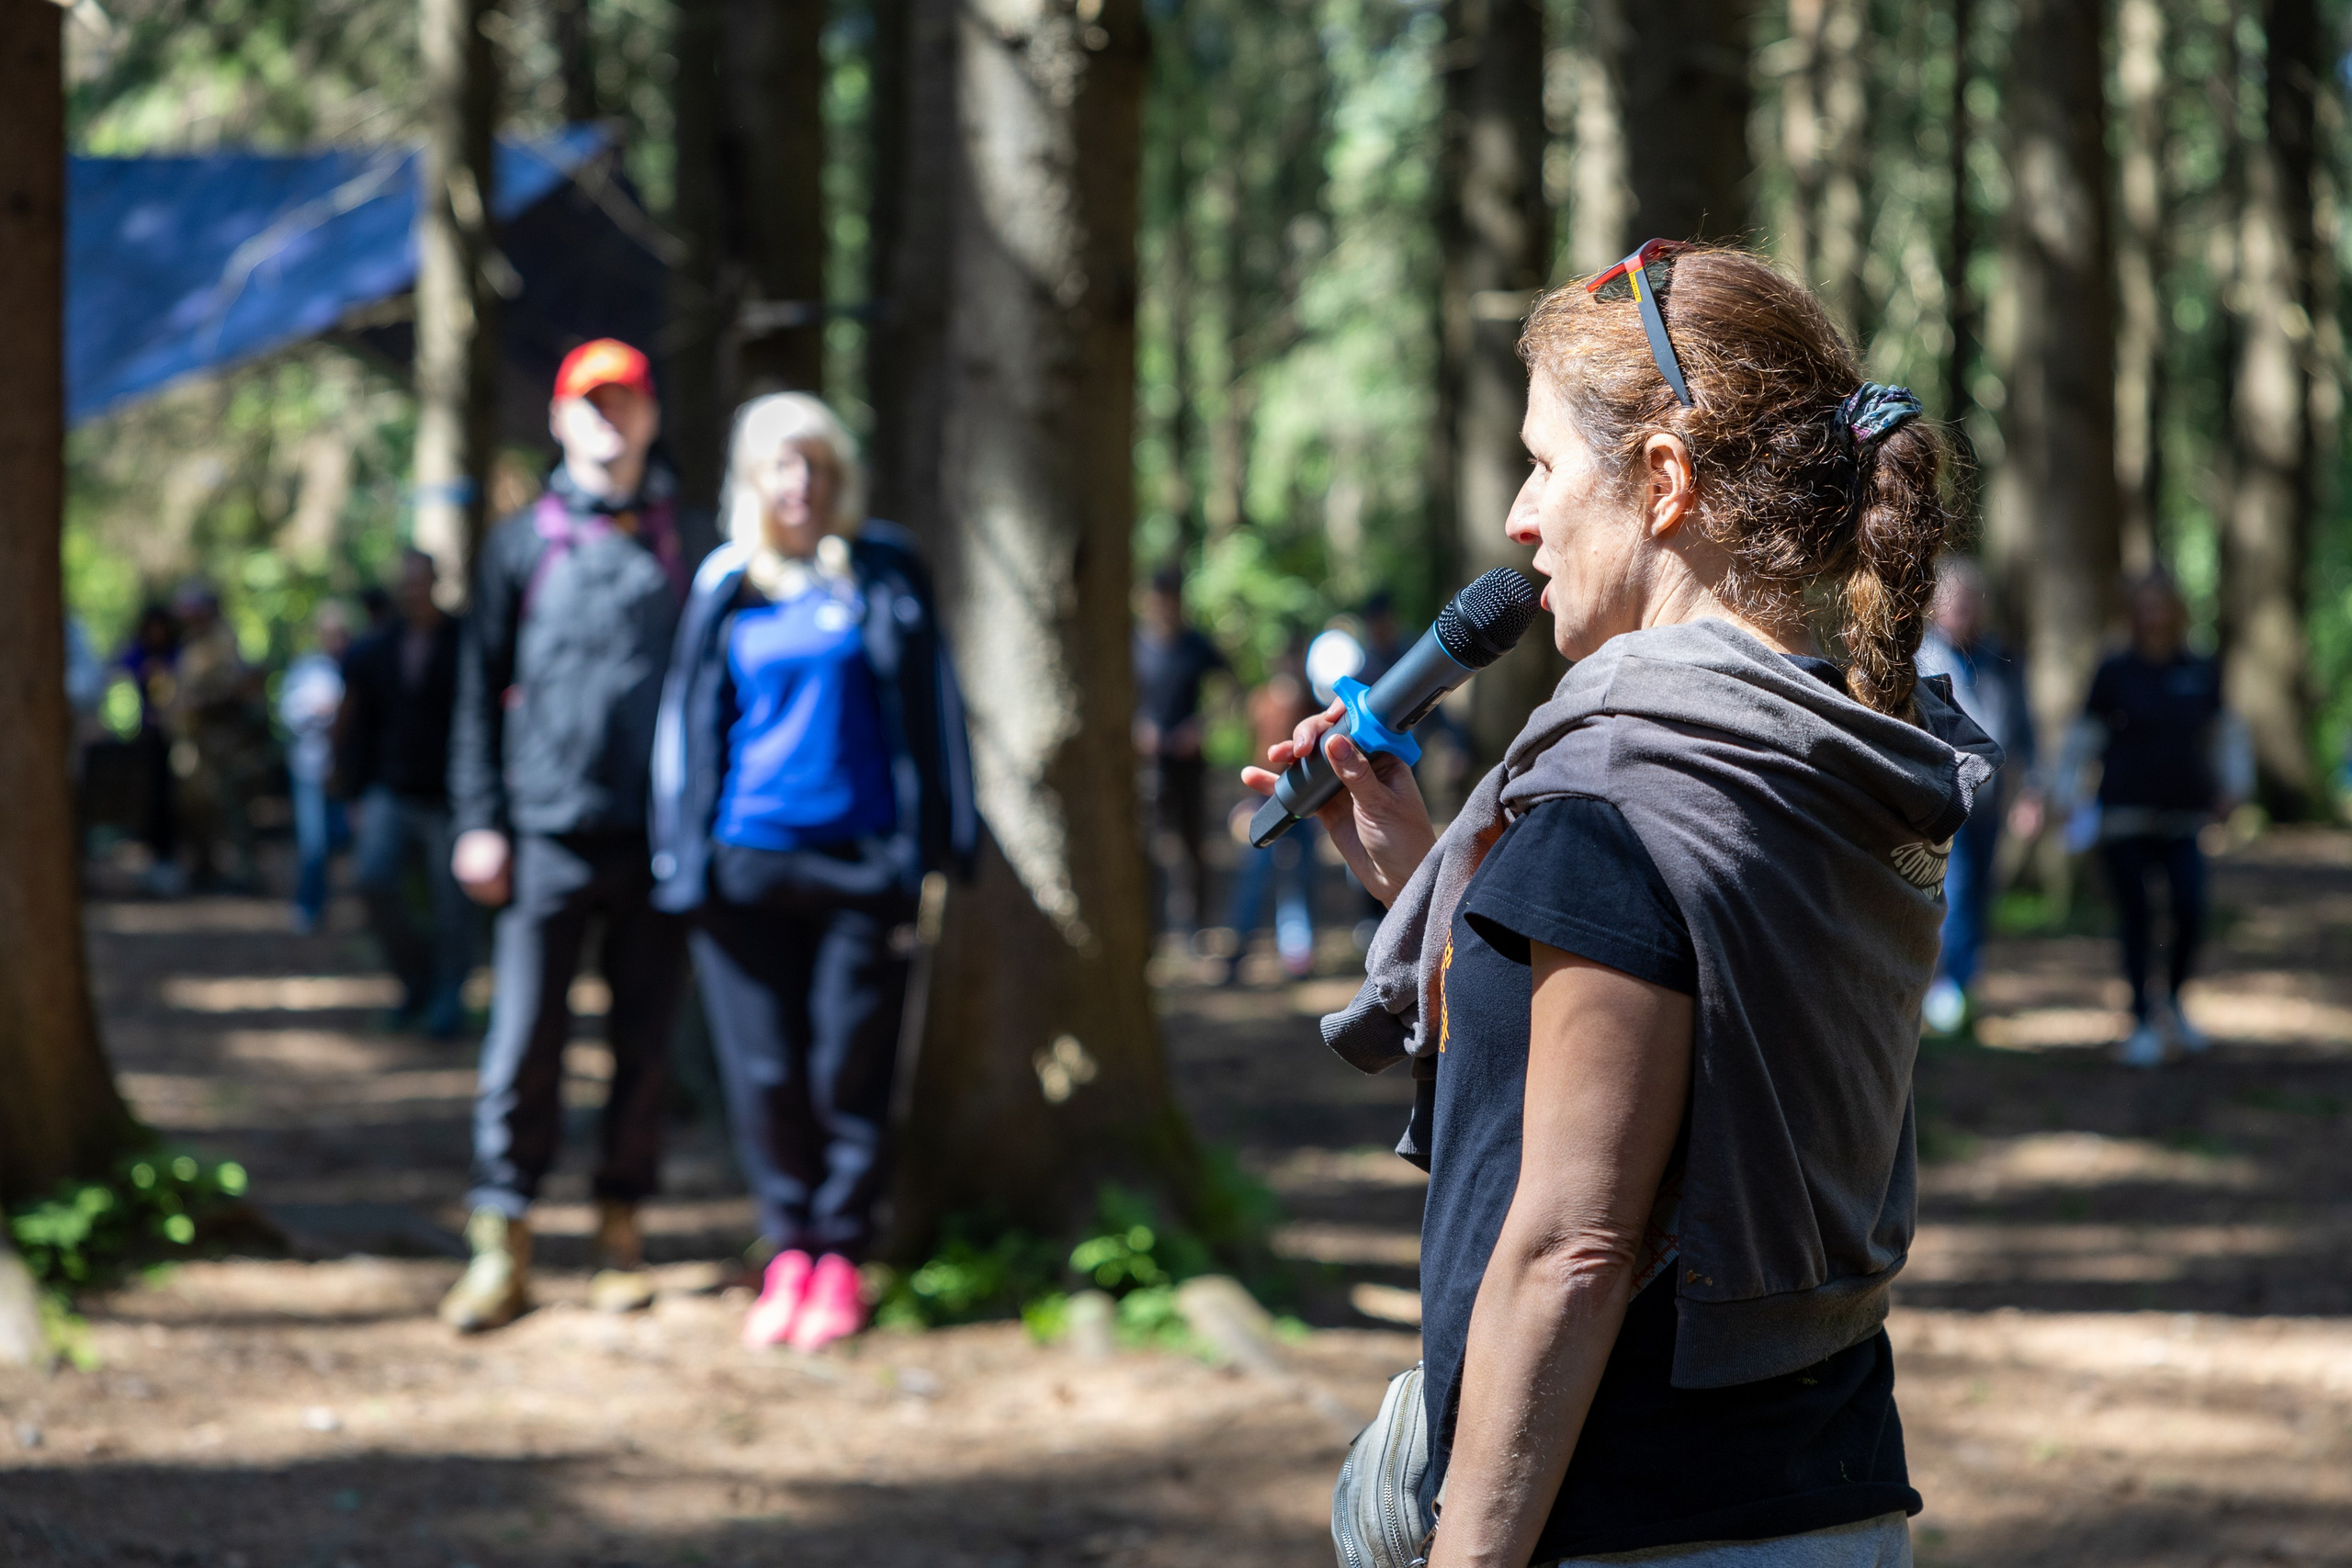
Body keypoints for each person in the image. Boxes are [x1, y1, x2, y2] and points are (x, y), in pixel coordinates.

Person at [1263, 243, 1998, 1566]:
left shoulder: (1620, 793)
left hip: (1631, 1517)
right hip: (1825, 1490)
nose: (1517, 517)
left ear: (1662, 484)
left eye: (1544, 463)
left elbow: (1574, 1245)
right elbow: (1705, 1055)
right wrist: (1429, 877)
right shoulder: (1819, 749)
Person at [651, 392, 977, 1352]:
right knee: (763, 1072)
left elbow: (934, 709)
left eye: (815, 467)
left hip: (862, 866)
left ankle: (841, 1253)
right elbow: (687, 724)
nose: (798, 484)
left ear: (836, 479)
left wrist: (944, 842)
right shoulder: (723, 584)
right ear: (752, 481)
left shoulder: (881, 571)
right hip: (743, 864)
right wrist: (685, 855)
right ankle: (788, 1246)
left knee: (850, 1067)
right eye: (780, 467)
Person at [441, 338, 714, 1331]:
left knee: (642, 1045)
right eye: (589, 404)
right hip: (542, 837)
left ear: (650, 415)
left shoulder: (692, 540)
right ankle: (500, 1239)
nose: (608, 420)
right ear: (560, 419)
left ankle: (618, 1232)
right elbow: (474, 694)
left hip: (656, 842)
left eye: (626, 402)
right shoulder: (520, 542)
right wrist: (480, 823)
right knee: (523, 1042)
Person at [2061, 571, 2250, 1068]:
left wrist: (2234, 787)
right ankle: (2142, 1020)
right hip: (2123, 815)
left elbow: (2225, 732)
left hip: (2185, 815)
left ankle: (2178, 1004)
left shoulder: (2200, 669)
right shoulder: (2115, 670)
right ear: (2133, 612)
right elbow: (2085, 738)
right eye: (2144, 606)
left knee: (2189, 907)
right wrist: (2065, 795)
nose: (2153, 616)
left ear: (2175, 611)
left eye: (2160, 605)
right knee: (2138, 915)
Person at [339, 553, 468, 1032]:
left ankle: (447, 1000)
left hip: (450, 796)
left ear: (436, 582)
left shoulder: (464, 642)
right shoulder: (375, 650)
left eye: (420, 582)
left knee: (453, 903)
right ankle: (416, 980)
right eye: (405, 584)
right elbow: (354, 728)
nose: (412, 591)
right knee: (372, 878)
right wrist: (353, 792)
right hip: (389, 790)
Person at [1913, 558, 2037, 1034]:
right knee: (1955, 890)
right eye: (1955, 604)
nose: (1964, 614)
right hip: (1942, 799)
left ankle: (1963, 987)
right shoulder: (1920, 656)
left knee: (1980, 891)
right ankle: (1942, 991)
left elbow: (2024, 730)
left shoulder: (2001, 656)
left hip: (1991, 802)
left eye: (1971, 604)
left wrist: (2032, 792)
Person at [1132, 567, 1227, 932]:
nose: (1164, 607)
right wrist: (1136, 726)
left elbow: (1229, 690)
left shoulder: (1195, 644)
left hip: (1190, 764)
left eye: (1171, 599)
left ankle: (1196, 928)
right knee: (1149, 850)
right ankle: (1150, 928)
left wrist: (1200, 726)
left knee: (1193, 847)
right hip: (1148, 766)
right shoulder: (1134, 645)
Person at [1223, 646, 1321, 983]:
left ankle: (1297, 955)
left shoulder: (1311, 703)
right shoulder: (1260, 700)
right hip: (1264, 799)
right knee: (1255, 876)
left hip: (1303, 803)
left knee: (1299, 878)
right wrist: (1244, 801)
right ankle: (1237, 952)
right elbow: (1252, 750)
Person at [170, 581, 268, 891]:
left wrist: (203, 700)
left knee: (235, 809)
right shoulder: (191, 643)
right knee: (200, 809)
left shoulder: (222, 641)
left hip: (226, 743)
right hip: (200, 744)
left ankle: (247, 874)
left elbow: (236, 685)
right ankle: (206, 868)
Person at [281, 602, 354, 934]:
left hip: (348, 772)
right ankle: (309, 906)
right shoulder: (306, 669)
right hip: (311, 770)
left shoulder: (358, 664)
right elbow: (290, 714)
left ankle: (346, 907)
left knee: (348, 838)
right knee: (314, 843)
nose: (334, 640)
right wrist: (323, 712)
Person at [117, 604, 184, 894]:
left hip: (175, 741)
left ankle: (171, 864)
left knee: (173, 802)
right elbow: (117, 673)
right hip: (143, 742)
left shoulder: (178, 655)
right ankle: (154, 863)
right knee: (146, 802)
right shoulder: (137, 653)